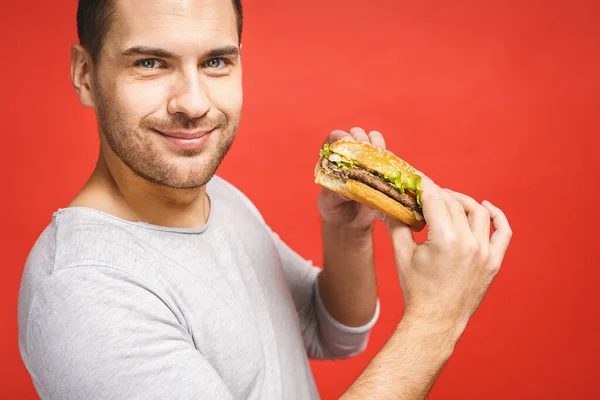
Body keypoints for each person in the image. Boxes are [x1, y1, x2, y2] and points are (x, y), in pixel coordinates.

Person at [17, 0, 512, 399]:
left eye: (215, 62)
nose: (193, 103)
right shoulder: (84, 292)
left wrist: (347, 232)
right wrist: (436, 320)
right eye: (151, 62)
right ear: (85, 73)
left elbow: (333, 332)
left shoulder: (215, 197)